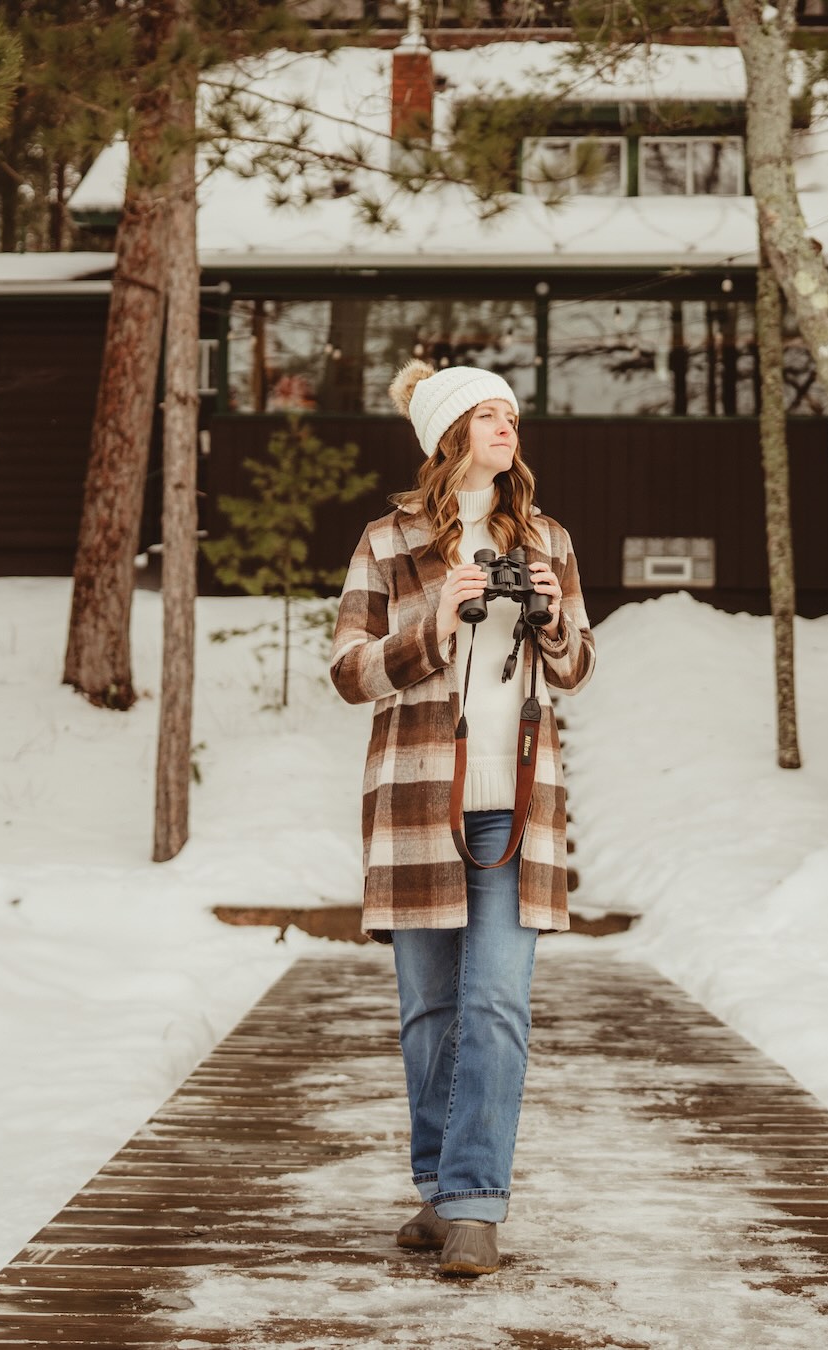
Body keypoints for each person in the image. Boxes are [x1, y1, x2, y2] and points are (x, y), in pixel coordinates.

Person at [328, 358, 598, 1278]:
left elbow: (576, 668)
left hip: (518, 805)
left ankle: (476, 1207)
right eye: (485, 415)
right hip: (416, 804)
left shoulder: (548, 538)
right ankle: (438, 1191)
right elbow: (348, 672)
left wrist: (556, 621)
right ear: (449, 437)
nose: (505, 427)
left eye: (510, 414)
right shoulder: (387, 542)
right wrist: (434, 624)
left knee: (496, 1002)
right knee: (429, 1012)